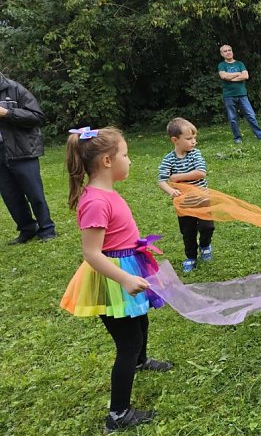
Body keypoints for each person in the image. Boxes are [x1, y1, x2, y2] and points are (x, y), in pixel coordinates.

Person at [60, 127, 171, 433]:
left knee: (141, 321)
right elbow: (92, 253)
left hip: (128, 269)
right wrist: (124, 278)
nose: (130, 161)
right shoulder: (95, 201)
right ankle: (118, 414)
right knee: (128, 341)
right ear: (108, 161)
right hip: (112, 280)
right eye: (125, 155)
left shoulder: (107, 193)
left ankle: (141, 361)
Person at [0, 73, 56, 244]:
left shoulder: (14, 89)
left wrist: (7, 113)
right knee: (10, 195)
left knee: (34, 192)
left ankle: (47, 229)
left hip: (21, 149)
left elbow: (36, 116)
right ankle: (27, 229)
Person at [157, 118, 214, 273]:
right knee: (187, 232)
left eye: (194, 138)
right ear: (175, 140)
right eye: (189, 139)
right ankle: (191, 257)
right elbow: (162, 180)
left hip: (201, 199)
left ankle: (205, 245)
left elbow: (200, 173)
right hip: (184, 203)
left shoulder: (195, 154)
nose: (193, 142)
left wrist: (176, 177)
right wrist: (171, 190)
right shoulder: (169, 159)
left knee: (207, 227)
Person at [217, 45, 261, 144]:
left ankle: (260, 135)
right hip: (229, 95)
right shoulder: (221, 65)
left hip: (242, 94)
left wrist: (230, 77)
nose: (228, 52)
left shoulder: (240, 63)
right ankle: (237, 138)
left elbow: (246, 76)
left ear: (232, 51)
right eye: (225, 51)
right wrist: (238, 74)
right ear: (222, 54)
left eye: (229, 50)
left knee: (251, 115)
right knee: (232, 118)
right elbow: (223, 76)